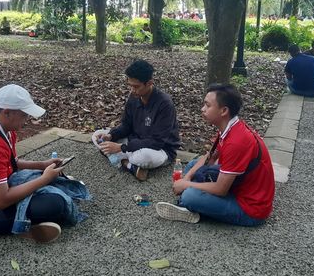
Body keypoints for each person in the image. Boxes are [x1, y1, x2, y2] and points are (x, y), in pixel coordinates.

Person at [0, 84, 90, 243]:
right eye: (24, 115)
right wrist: (44, 179)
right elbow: (0, 201)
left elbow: (11, 162)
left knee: (54, 190)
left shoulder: (2, 130)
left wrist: (42, 165)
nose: (27, 119)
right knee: (54, 204)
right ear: (7, 113)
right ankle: (24, 229)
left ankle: (28, 224)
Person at [155, 84, 275, 226]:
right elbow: (209, 157)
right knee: (194, 164)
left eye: (207, 105)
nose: (202, 109)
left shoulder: (237, 142)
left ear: (224, 110)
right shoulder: (230, 127)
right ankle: (194, 204)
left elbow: (221, 189)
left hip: (251, 209)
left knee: (189, 196)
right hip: (239, 186)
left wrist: (186, 185)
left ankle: (189, 205)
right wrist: (187, 178)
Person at [92, 60, 181, 181]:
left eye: (136, 86)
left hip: (160, 150)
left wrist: (121, 148)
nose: (132, 90)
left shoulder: (164, 104)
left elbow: (157, 142)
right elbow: (126, 125)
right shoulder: (133, 97)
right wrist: (111, 135)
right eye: (130, 85)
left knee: (143, 157)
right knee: (97, 136)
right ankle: (128, 164)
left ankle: (122, 159)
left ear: (149, 83)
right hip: (134, 141)